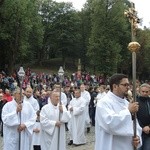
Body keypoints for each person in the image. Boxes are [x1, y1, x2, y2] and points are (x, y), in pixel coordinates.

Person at [95, 73, 142, 150]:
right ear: (115, 86)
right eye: (125, 85)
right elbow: (109, 123)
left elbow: (135, 124)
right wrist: (128, 111)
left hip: (128, 146)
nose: (128, 87)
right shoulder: (103, 103)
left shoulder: (127, 103)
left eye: (128, 85)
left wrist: (137, 137)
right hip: (111, 145)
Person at [136, 83, 150, 150]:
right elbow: (134, 117)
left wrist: (149, 127)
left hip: (148, 132)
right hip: (138, 132)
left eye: (146, 92)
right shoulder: (135, 101)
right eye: (143, 91)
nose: (145, 93)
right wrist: (142, 127)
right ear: (139, 91)